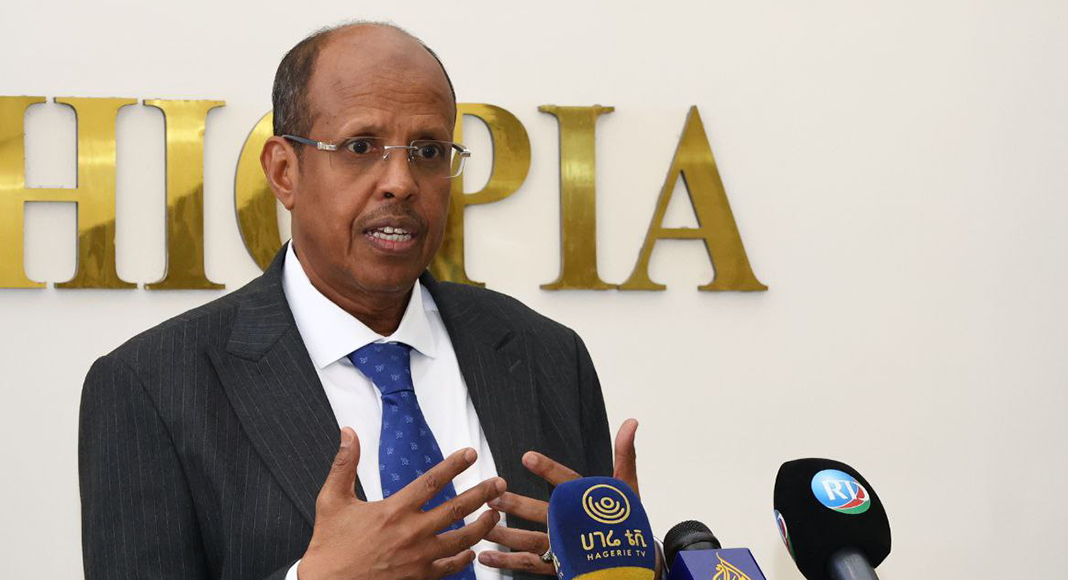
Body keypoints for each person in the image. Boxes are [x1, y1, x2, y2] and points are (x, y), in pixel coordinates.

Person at [78, 22, 648, 580]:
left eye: (428, 150)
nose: (401, 181)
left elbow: (605, 563)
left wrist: (627, 569)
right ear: (284, 171)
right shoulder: (152, 385)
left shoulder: (547, 355)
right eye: (360, 146)